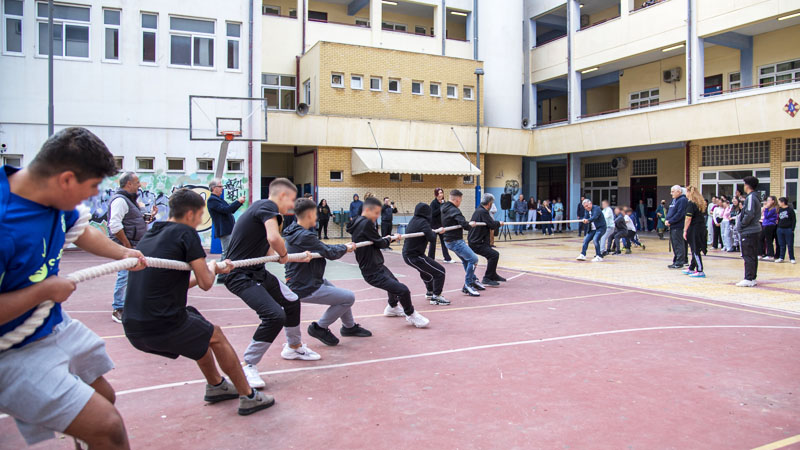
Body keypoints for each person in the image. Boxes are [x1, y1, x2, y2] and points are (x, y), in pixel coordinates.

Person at [0, 127, 147, 448]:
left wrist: (124, 253)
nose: (93, 197)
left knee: (104, 396)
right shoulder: (5, 222)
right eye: (93, 187)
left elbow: (79, 229)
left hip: (47, 324)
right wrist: (43, 292)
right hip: (9, 350)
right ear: (66, 179)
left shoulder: (49, 195)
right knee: (107, 426)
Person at [123, 189, 274, 415]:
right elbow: (206, 283)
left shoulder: (151, 234)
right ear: (193, 214)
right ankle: (249, 396)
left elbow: (176, 283)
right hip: (159, 324)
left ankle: (216, 385)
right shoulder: (186, 234)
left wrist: (210, 268)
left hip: (133, 324)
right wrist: (213, 267)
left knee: (197, 321)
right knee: (217, 335)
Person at [224, 178, 319, 390]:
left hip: (257, 272)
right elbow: (274, 239)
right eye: (292, 200)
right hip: (240, 276)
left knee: (292, 301)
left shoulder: (261, 210)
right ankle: (247, 365)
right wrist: (284, 254)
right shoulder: (267, 206)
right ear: (283, 196)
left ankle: (293, 347)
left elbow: (268, 250)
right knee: (274, 315)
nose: (292, 206)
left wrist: (292, 257)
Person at [284, 198, 372, 346]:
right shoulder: (304, 236)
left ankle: (349, 328)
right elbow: (330, 252)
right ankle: (319, 327)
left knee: (339, 294)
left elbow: (322, 247)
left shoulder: (294, 230)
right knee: (348, 297)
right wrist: (345, 248)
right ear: (309, 214)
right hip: (305, 285)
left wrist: (343, 246)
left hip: (306, 279)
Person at [347, 197, 429, 327]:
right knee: (403, 290)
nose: (377, 216)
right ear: (367, 210)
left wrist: (387, 239)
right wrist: (392, 238)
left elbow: (375, 240)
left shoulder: (357, 221)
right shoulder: (365, 223)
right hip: (372, 271)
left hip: (376, 265)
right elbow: (380, 243)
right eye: (376, 213)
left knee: (394, 283)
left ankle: (392, 307)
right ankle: (411, 314)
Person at [109, 171, 156, 323]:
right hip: (128, 245)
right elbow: (114, 225)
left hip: (134, 244)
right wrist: (127, 246)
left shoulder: (131, 201)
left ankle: (131, 303)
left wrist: (150, 216)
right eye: (136, 182)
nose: (139, 185)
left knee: (135, 273)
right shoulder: (120, 201)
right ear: (128, 184)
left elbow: (137, 221)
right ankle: (119, 308)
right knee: (125, 274)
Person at [402, 202, 450, 306]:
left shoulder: (414, 220)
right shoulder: (423, 222)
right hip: (414, 256)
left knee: (425, 272)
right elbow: (432, 238)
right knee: (440, 272)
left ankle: (430, 291)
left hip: (410, 255)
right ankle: (436, 297)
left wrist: (431, 231)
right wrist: (436, 232)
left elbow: (427, 232)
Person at [441, 190, 482, 296]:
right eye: (461, 201)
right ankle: (468, 285)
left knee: (466, 260)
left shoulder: (444, 207)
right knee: (473, 259)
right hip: (455, 241)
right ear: (457, 199)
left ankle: (472, 280)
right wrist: (470, 225)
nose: (460, 203)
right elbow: (463, 223)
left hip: (449, 241)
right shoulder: (454, 210)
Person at [207, 178, 246, 283]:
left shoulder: (218, 200)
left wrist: (238, 203)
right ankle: (221, 275)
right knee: (226, 252)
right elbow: (227, 210)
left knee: (228, 251)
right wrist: (238, 202)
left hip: (227, 229)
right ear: (214, 188)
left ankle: (224, 274)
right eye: (220, 186)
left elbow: (230, 209)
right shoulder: (212, 200)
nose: (222, 188)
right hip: (224, 230)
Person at [469, 193, 505, 287]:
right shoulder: (482, 212)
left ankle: (493, 275)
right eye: (492, 203)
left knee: (492, 255)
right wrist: (499, 223)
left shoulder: (480, 210)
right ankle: (487, 278)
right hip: (476, 243)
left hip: (480, 241)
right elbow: (492, 224)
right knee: (494, 255)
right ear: (489, 203)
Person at [736, 176, 762, 287]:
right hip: (753, 230)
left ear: (747, 185)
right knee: (752, 255)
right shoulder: (754, 197)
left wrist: (742, 224)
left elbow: (749, 213)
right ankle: (752, 277)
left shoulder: (751, 197)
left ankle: (749, 278)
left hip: (749, 230)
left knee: (748, 255)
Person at [682, 186, 708, 278]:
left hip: (694, 229)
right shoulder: (700, 203)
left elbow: (688, 218)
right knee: (695, 248)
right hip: (701, 228)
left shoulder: (691, 204)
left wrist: (685, 230)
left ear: (689, 193)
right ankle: (691, 267)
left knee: (695, 249)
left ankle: (700, 270)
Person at [665, 185, 689, 269]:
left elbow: (680, 213)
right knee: (675, 244)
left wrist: (670, 221)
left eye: (673, 191)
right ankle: (676, 260)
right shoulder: (675, 200)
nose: (671, 193)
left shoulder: (682, 200)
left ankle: (680, 262)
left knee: (678, 244)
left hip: (678, 226)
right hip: (673, 226)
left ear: (679, 191)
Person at [428, 187, 453, 263]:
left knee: (444, 242)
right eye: (439, 193)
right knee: (433, 242)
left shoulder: (444, 202)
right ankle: (431, 259)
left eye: (441, 192)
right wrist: (441, 207)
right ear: (436, 194)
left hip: (442, 225)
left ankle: (447, 258)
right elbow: (432, 214)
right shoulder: (433, 203)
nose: (440, 194)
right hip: (434, 226)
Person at [775, 197, 796, 264]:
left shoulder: (790, 210)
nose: (778, 203)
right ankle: (781, 257)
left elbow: (794, 220)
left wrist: (792, 229)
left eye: (779, 202)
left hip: (788, 229)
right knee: (781, 244)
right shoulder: (780, 210)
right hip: (780, 229)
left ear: (783, 202)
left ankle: (792, 258)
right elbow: (778, 219)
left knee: (790, 244)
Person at [760, 196, 778, 261]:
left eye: (769, 200)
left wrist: (766, 208)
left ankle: (770, 255)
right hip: (764, 224)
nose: (767, 202)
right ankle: (761, 253)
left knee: (768, 240)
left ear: (773, 201)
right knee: (761, 238)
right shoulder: (769, 208)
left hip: (770, 225)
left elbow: (767, 216)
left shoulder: (774, 209)